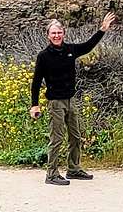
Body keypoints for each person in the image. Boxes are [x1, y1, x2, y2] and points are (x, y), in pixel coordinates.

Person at [30, 12, 116, 185]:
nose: (56, 35)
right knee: (57, 138)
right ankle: (51, 174)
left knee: (75, 136)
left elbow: (88, 46)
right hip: (55, 102)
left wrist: (102, 29)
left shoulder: (70, 50)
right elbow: (36, 81)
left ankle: (73, 169)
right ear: (48, 35)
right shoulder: (44, 56)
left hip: (71, 100)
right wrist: (35, 105)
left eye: (59, 32)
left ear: (64, 34)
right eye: (53, 33)